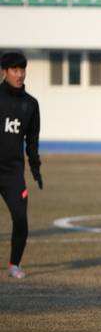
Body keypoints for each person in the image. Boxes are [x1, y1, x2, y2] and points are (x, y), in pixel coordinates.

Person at [0, 52, 42, 279]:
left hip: (12, 173)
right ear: (4, 72)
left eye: (22, 70)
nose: (19, 75)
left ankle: (14, 264)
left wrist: (35, 167)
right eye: (14, 70)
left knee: (20, 218)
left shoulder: (31, 104)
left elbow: (32, 141)